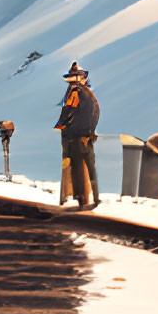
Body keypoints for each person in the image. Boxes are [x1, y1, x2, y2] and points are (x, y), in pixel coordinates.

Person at [56, 63, 101, 210]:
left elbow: (68, 109)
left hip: (75, 135)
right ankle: (93, 197)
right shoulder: (89, 94)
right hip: (87, 134)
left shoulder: (75, 91)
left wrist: (61, 124)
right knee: (89, 166)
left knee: (76, 166)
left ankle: (82, 199)